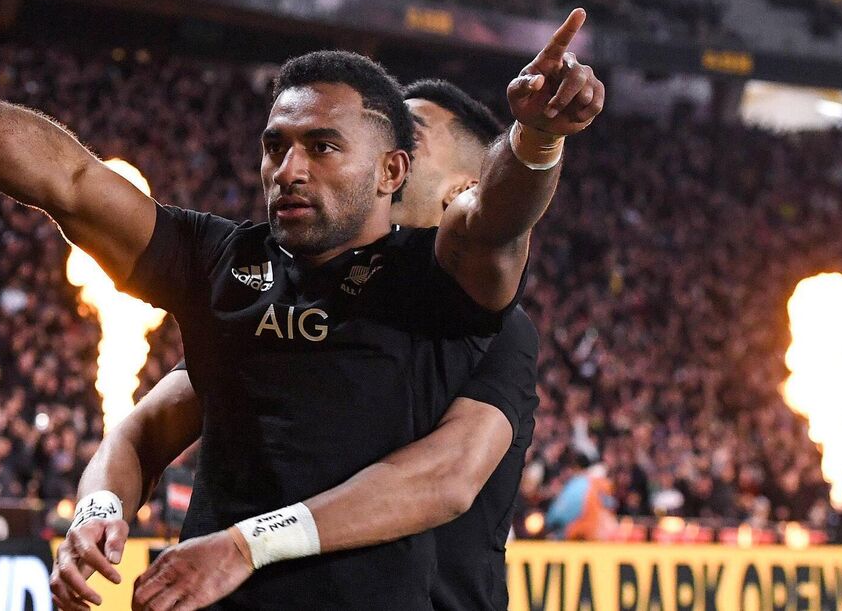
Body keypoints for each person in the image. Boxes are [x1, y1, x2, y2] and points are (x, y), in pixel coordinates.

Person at [0, 0, 599, 609]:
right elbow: (68, 182)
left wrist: (536, 138)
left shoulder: (439, 287)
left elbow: (446, 470)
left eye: (323, 147)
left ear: (395, 171)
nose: (289, 169)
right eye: (276, 146)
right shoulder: (228, 263)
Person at [78, 79, 557, 611]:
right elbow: (145, 428)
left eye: (409, 136)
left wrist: (247, 544)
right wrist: (98, 508)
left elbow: (447, 477)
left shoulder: (498, 325)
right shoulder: (305, 293)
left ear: (462, 192)